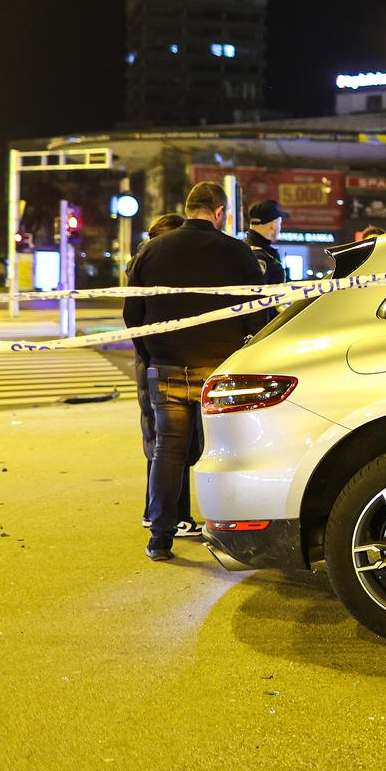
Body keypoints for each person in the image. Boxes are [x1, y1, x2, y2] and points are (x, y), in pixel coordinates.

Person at [123, 182, 265, 562]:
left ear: (188, 208)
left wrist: (151, 354)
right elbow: (258, 312)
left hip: (167, 367)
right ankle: (231, 534)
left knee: (167, 451)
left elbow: (132, 314)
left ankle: (160, 538)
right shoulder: (237, 252)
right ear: (220, 212)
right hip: (219, 368)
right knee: (226, 449)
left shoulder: (152, 250)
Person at [132, 213, 196, 536]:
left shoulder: (143, 262)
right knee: (170, 445)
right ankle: (172, 517)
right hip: (156, 362)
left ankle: (154, 512)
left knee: (160, 443)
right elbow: (136, 318)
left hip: (150, 360)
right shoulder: (149, 265)